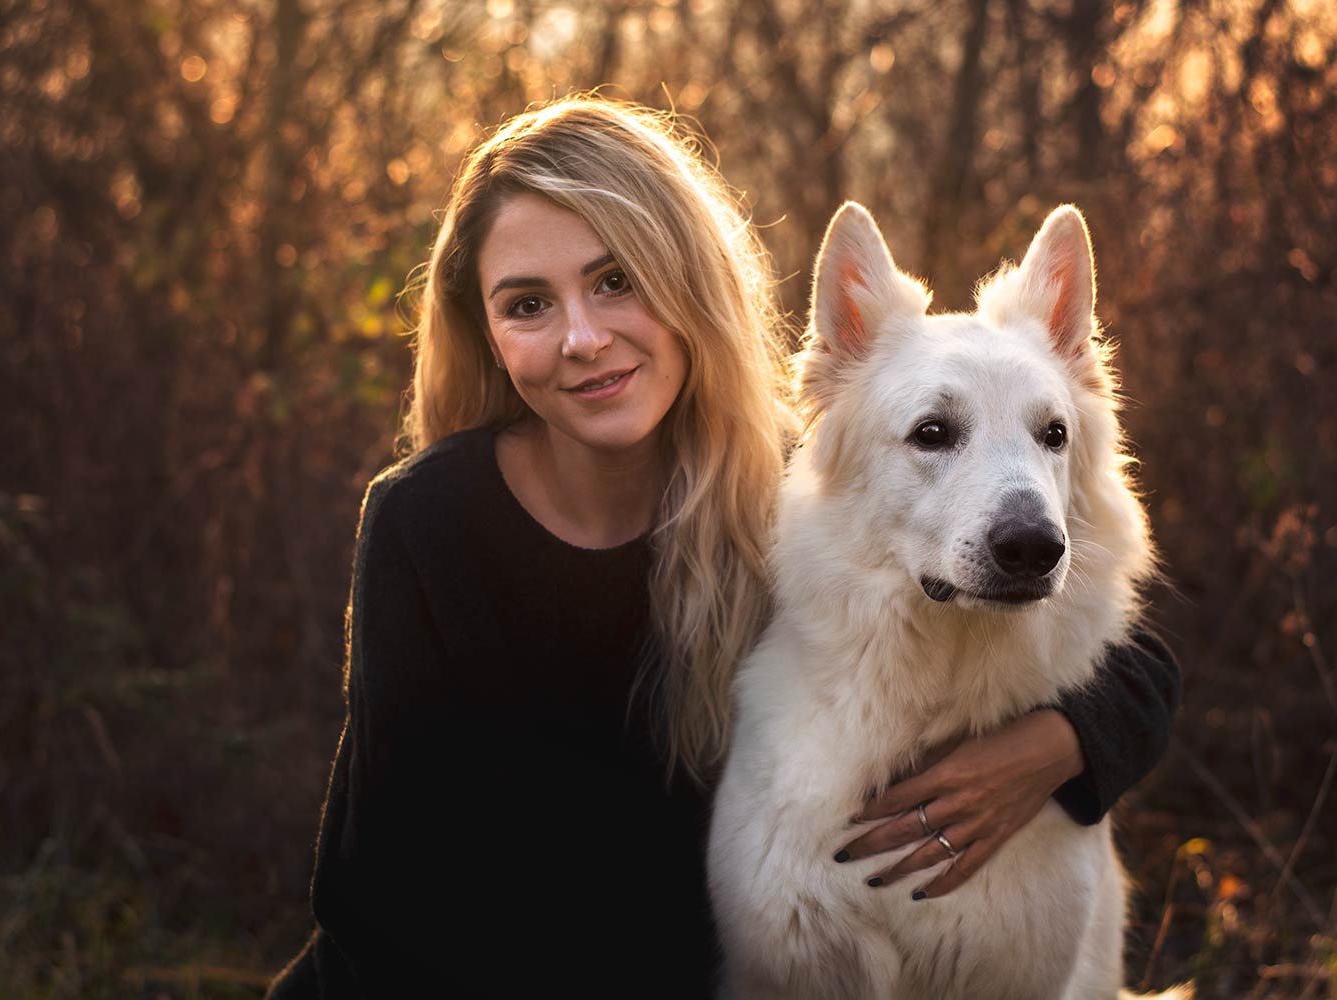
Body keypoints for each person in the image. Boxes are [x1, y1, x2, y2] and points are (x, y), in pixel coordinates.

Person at [266, 96, 1181, 998]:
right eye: (529, 304)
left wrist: (1056, 744)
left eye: (617, 280)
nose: (583, 339)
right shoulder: (430, 521)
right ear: (490, 334)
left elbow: (1126, 654)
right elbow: (379, 885)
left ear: (688, 280)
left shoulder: (796, 489)